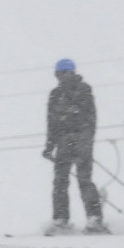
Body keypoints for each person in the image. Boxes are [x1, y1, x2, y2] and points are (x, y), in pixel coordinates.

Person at [43, 59, 107, 235]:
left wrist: (86, 141)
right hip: (63, 142)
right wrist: (49, 146)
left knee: (84, 179)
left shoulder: (83, 90)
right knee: (60, 181)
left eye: (65, 73)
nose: (62, 77)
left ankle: (94, 219)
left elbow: (90, 119)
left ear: (72, 72)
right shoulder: (55, 94)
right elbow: (52, 123)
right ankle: (60, 219)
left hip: (81, 140)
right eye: (59, 74)